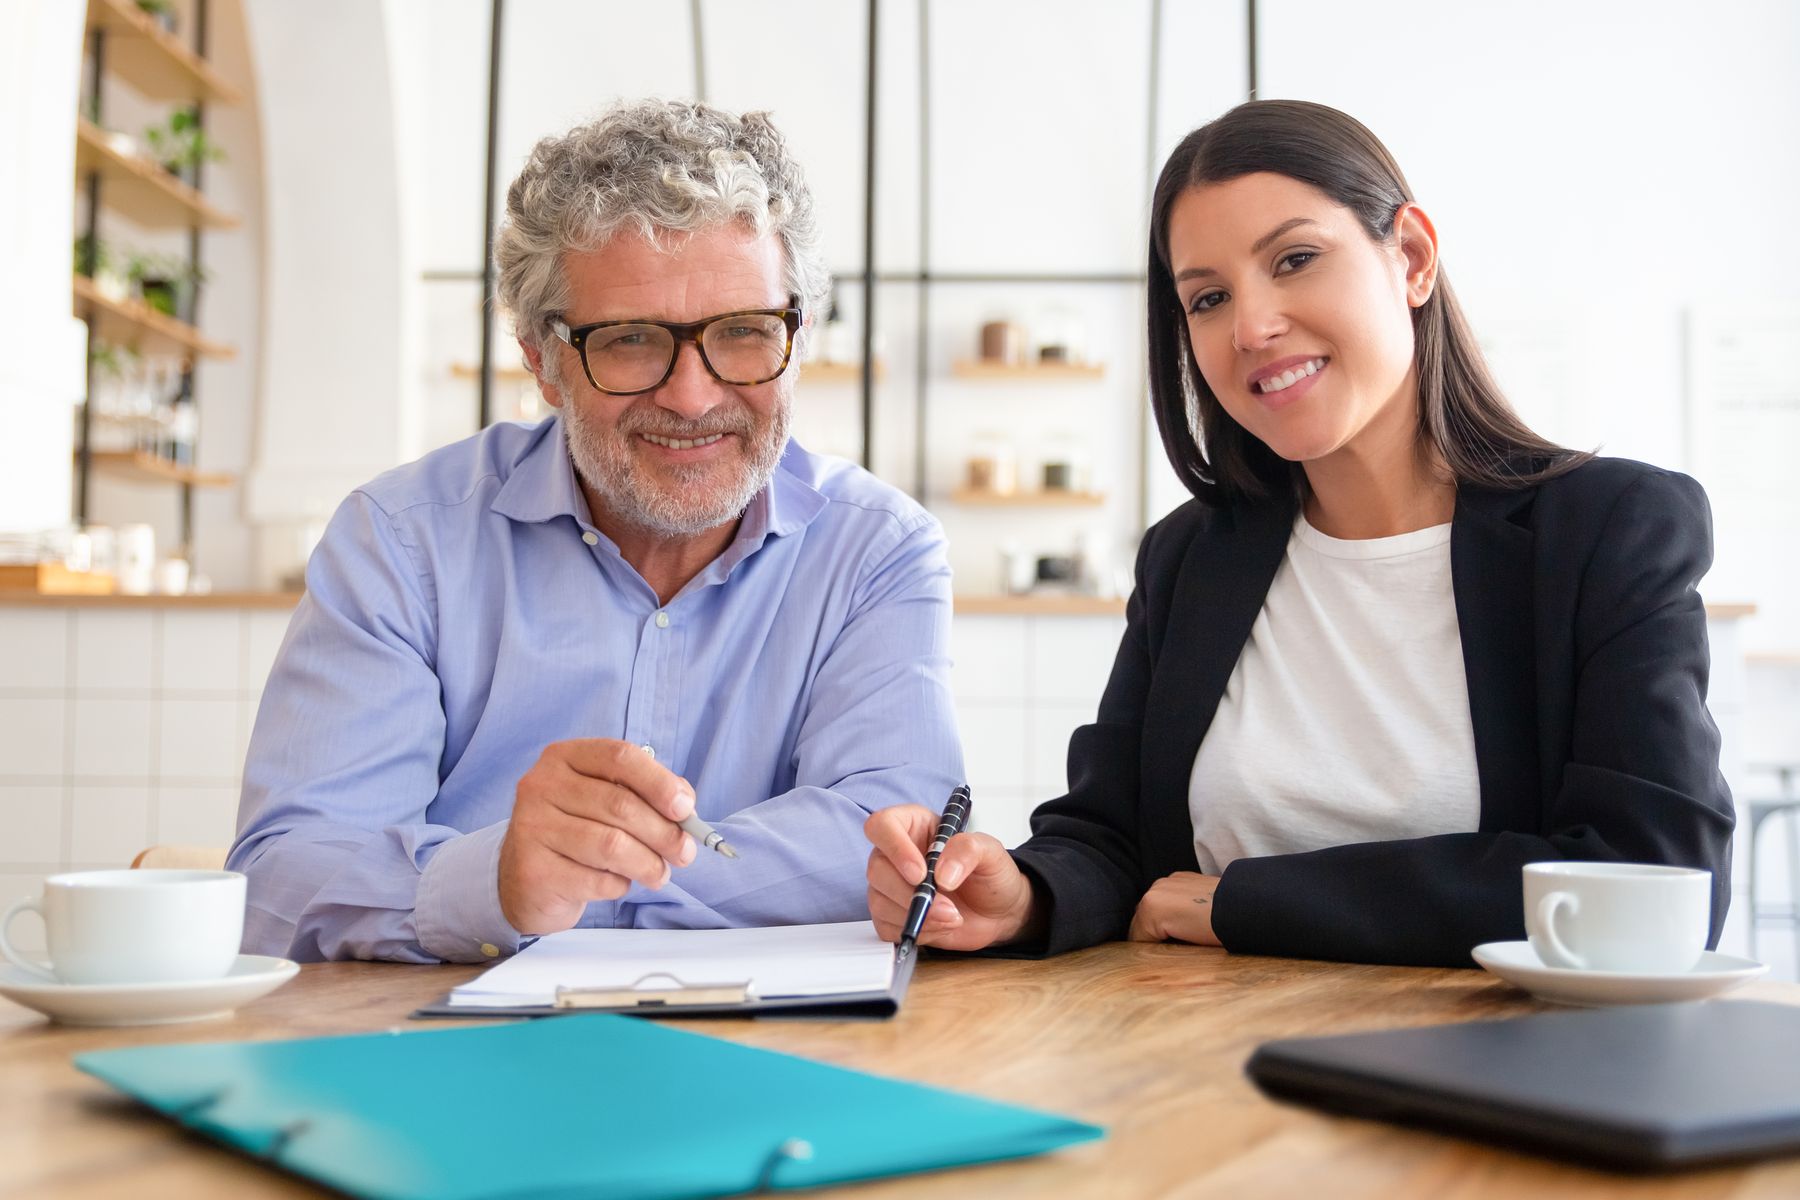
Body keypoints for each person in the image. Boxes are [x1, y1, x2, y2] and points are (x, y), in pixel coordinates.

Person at [864, 99, 1733, 968]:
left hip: (1500, 1072)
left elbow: (1655, 877)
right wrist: (1022, 896)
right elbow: (1113, 840)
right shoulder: (1190, 560)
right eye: (1206, 298)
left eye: (1296, 259)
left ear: (1414, 257)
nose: (1250, 328)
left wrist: (1250, 903)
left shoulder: (1608, 532)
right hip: (1198, 1068)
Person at [231, 99, 963, 963]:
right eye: (629, 342)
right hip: (453, 1059)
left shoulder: (879, 551)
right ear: (542, 359)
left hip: (778, 1059)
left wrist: (558, 893)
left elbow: (890, 849)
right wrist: (499, 880)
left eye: (743, 332)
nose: (693, 397)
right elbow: (282, 883)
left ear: (796, 341)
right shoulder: (400, 545)